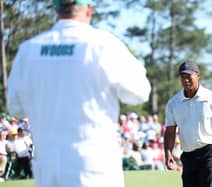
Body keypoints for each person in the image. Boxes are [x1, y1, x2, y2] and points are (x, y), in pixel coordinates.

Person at [7, 0, 151, 187]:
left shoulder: (29, 49)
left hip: (48, 168)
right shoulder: (103, 44)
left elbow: (15, 107)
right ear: (89, 9)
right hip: (93, 167)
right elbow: (139, 92)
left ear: (56, 9)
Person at [164, 61, 212, 187]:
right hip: (188, 156)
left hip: (209, 153)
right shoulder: (173, 103)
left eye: (189, 77)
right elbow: (170, 131)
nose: (186, 80)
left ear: (198, 76)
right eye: (183, 77)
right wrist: (168, 153)